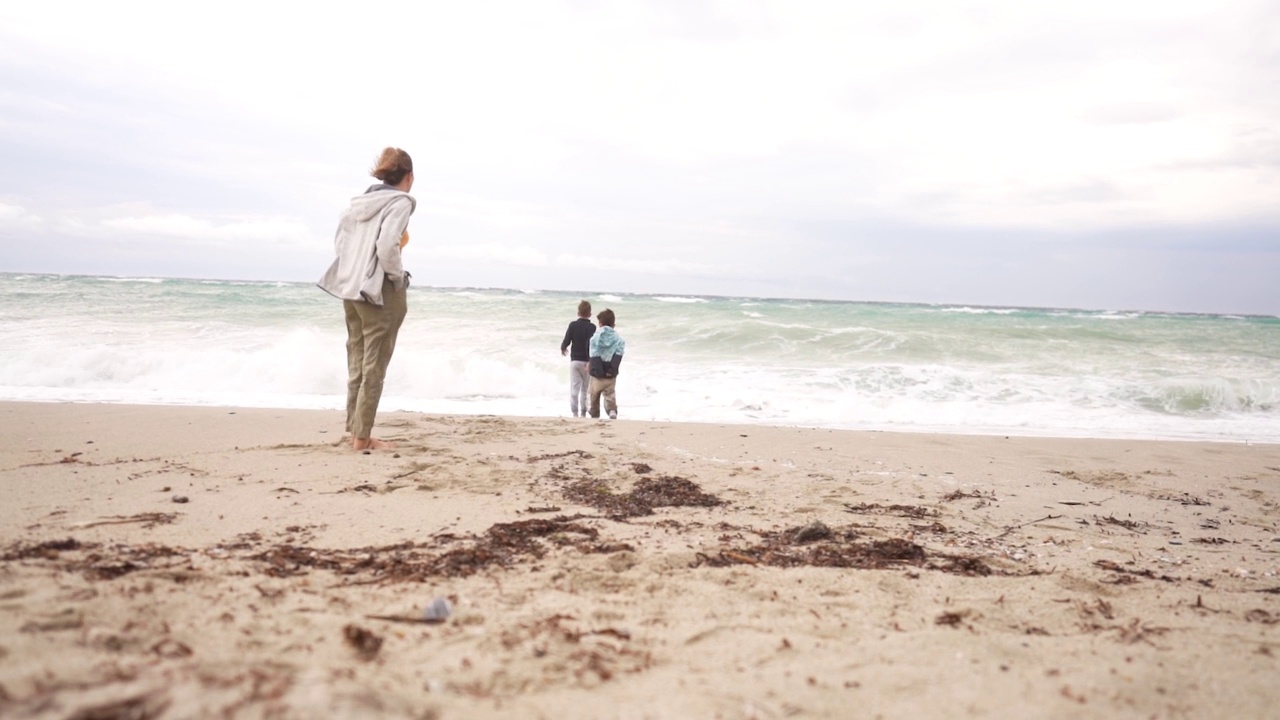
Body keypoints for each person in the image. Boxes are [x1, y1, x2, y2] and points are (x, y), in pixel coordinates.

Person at [317, 147, 416, 450]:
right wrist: (398, 278)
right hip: (379, 290)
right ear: (409, 177)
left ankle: (355, 430)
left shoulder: (355, 206)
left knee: (357, 360)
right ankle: (362, 438)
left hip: (350, 289)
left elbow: (340, 245)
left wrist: (356, 271)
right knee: (375, 363)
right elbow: (388, 246)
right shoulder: (401, 202)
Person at [588, 308, 626, 420]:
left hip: (597, 373)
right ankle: (612, 411)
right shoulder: (618, 339)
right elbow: (619, 354)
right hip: (610, 372)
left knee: (594, 395)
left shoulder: (595, 338)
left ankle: (594, 413)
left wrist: (598, 370)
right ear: (614, 324)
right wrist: (612, 369)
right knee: (610, 394)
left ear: (600, 323)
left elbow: (594, 354)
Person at [560, 300, 596, 417]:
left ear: (578, 313)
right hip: (586, 362)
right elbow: (590, 344)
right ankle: (583, 413)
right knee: (585, 389)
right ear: (590, 314)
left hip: (574, 361)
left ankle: (574, 413)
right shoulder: (592, 327)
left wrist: (563, 348)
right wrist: (590, 360)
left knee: (574, 388)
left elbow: (567, 340)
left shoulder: (572, 325)